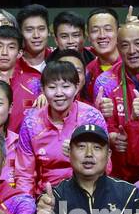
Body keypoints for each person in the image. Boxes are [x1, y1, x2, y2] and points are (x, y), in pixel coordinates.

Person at [16, 58, 110, 196]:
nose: (59, 93)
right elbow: (24, 176)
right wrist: (27, 210)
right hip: (47, 197)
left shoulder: (92, 117)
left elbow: (106, 166)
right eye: (52, 87)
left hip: (89, 192)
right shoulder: (31, 122)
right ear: (42, 89)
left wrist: (78, 153)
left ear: (77, 87)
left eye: (66, 87)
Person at [92, 19, 139, 183]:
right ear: (118, 47)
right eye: (124, 45)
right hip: (120, 173)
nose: (132, 51)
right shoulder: (105, 82)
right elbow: (102, 127)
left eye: (138, 43)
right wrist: (112, 136)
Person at [0, 25, 41, 133]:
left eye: (11, 47)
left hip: (25, 148)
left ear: (20, 53)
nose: (4, 52)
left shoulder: (35, 84)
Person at [84, 7, 122, 95]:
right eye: (95, 30)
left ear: (118, 32)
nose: (102, 35)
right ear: (89, 36)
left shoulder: (132, 65)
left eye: (108, 29)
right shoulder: (88, 72)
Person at [16, 4, 52, 74]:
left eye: (41, 29)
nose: (36, 35)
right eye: (29, 30)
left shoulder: (58, 58)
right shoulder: (12, 64)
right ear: (20, 33)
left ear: (48, 32)